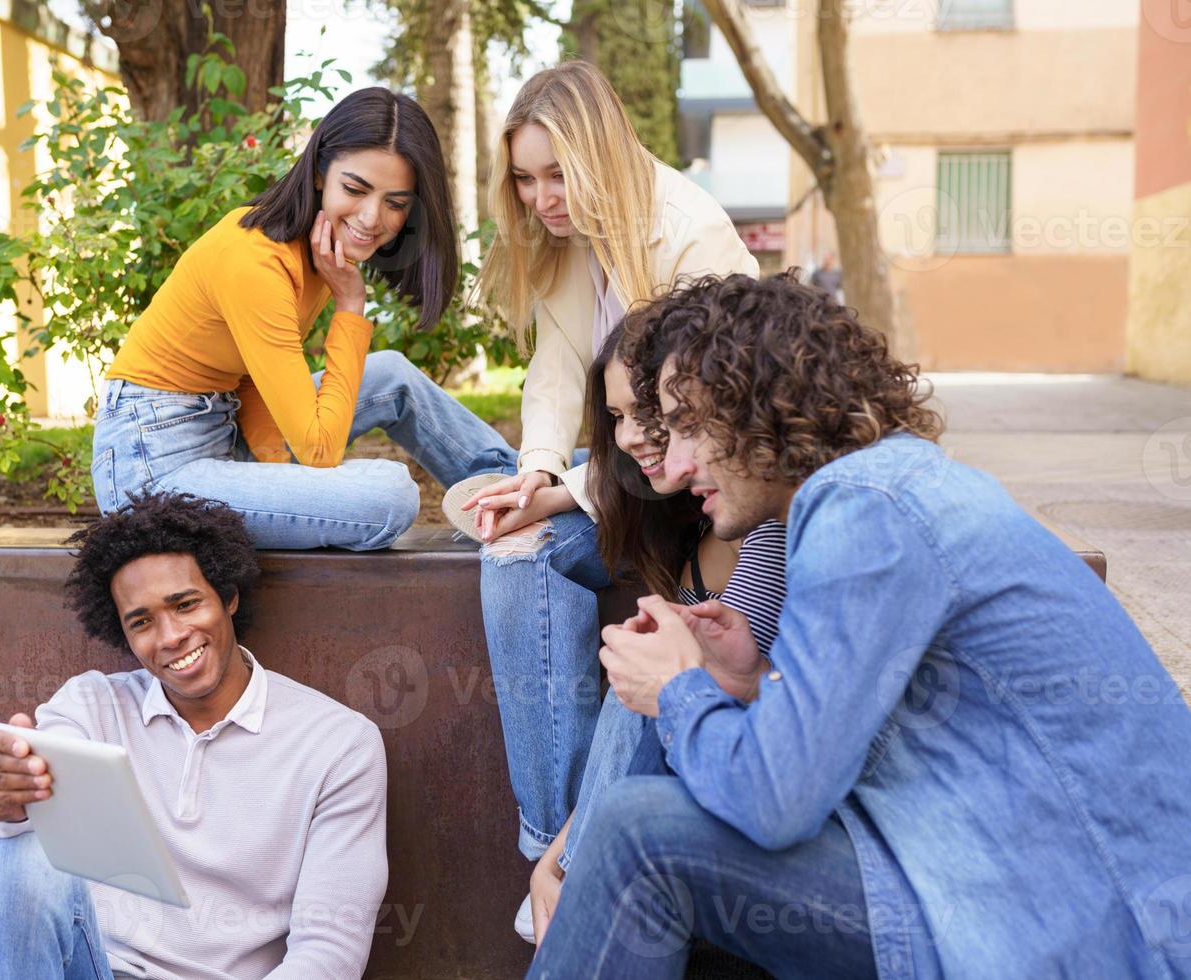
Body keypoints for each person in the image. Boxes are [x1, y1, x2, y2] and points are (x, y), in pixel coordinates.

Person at [530, 272, 1191, 979]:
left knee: (639, 836)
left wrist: (681, 690)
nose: (678, 458)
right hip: (1006, 874)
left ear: (764, 401)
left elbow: (777, 801)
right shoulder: (885, 487)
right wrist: (746, 681)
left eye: (690, 424)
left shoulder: (864, 507)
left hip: (1086, 927)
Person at [446, 60, 758, 894]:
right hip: (622, 479)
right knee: (510, 549)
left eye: (557, 174)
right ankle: (553, 850)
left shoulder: (688, 229)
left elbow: (710, 425)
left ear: (601, 156)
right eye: (524, 179)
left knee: (544, 549)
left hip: (699, 494)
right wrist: (538, 473)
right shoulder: (562, 245)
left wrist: (571, 489)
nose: (542, 198)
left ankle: (577, 866)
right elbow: (557, 371)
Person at [0, 492, 388, 979]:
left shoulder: (338, 744)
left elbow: (329, 952)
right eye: (142, 622)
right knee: (19, 856)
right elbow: (9, 854)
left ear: (228, 596)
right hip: (94, 969)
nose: (170, 636)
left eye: (185, 604)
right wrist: (4, 798)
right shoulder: (92, 708)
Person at [92, 87, 516, 550]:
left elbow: (250, 380)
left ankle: (514, 483)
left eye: (395, 203)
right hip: (153, 467)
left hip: (221, 431)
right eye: (354, 189)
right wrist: (351, 305)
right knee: (390, 497)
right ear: (319, 173)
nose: (372, 217)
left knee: (392, 374)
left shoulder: (314, 251)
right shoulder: (257, 261)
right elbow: (318, 449)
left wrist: (277, 470)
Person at [518, 327, 788, 946]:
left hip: (731, 818)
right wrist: (556, 855)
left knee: (649, 667)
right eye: (616, 416)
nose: (631, 434)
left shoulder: (767, 524)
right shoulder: (688, 521)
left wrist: (565, 859)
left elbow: (689, 703)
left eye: (654, 414)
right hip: (664, 810)